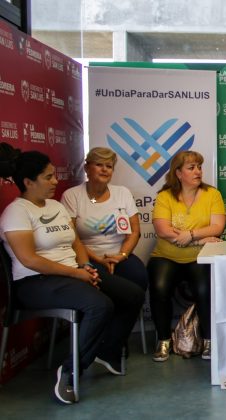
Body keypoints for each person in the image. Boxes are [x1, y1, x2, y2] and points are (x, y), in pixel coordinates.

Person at [0, 143, 144, 404]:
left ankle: (108, 351)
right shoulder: (16, 212)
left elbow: (76, 242)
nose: (55, 181)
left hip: (70, 273)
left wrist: (85, 266)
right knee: (100, 306)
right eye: (48, 177)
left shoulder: (55, 206)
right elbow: (29, 259)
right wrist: (75, 273)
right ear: (28, 182)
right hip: (35, 282)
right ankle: (70, 370)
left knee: (132, 294)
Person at [148, 150, 225, 362]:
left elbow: (217, 227)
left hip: (199, 257)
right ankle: (163, 339)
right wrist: (199, 238)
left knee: (204, 288)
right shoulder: (165, 196)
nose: (198, 171)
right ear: (178, 173)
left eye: (199, 167)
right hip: (166, 255)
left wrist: (190, 236)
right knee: (159, 286)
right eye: (191, 168)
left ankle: (209, 341)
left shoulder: (212, 194)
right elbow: (163, 230)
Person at [61, 147, 147, 290]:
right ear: (86, 168)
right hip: (88, 258)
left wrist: (122, 255)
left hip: (120, 256)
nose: (104, 169)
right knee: (111, 288)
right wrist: (99, 260)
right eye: (99, 164)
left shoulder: (122, 193)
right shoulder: (72, 196)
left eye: (109, 166)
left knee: (139, 277)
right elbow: (72, 238)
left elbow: (134, 232)